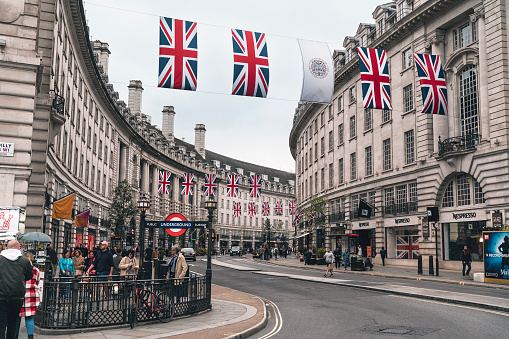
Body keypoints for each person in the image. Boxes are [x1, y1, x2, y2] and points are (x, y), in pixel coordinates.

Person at [0, 240, 33, 339]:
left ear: (7, 247)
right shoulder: (25, 261)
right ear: (18, 248)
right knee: (13, 323)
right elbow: (28, 277)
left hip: (1, 296)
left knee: (1, 324)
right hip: (17, 296)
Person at [15, 252, 40, 339]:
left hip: (20, 295)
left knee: (17, 318)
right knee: (29, 318)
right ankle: (30, 336)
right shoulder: (36, 270)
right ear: (32, 259)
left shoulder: (18, 269)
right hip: (32, 296)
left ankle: (16, 335)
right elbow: (37, 282)